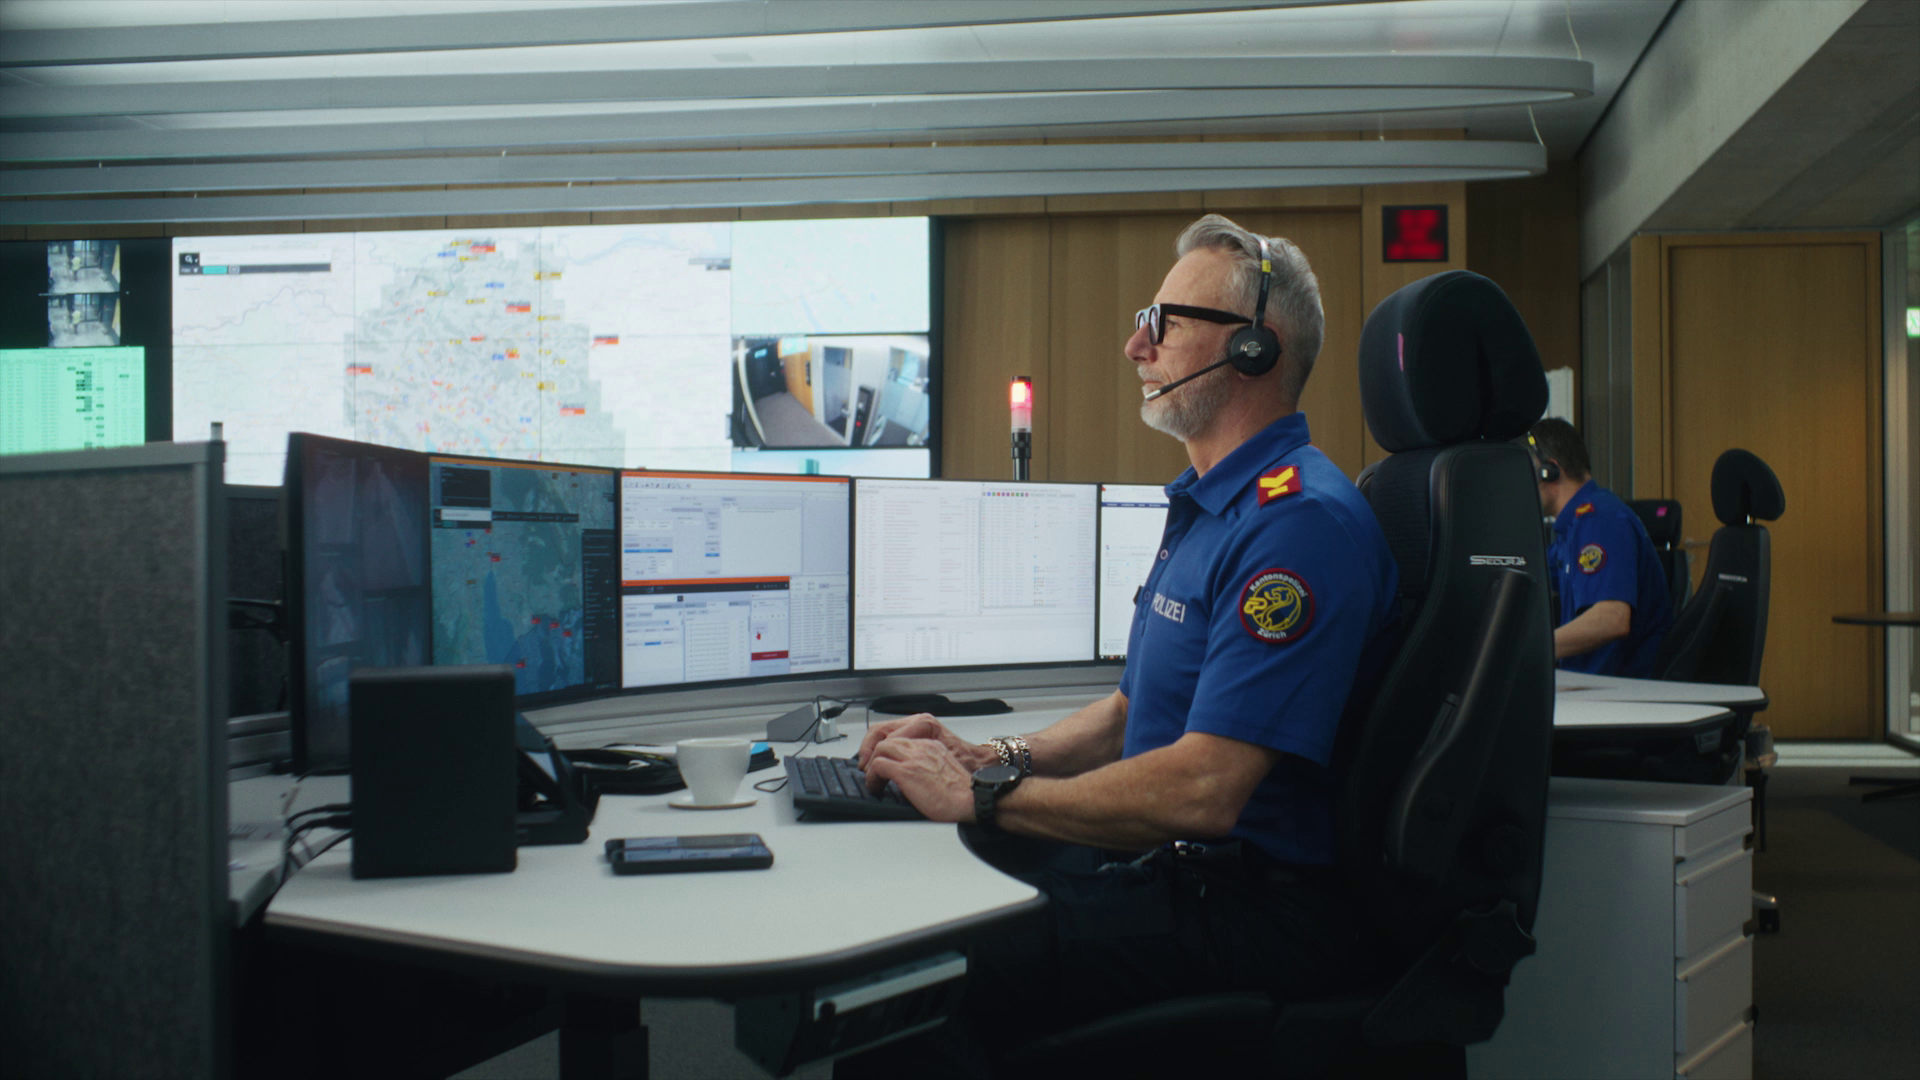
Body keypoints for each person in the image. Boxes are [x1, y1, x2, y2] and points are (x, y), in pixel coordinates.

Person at [838, 215, 1401, 1077]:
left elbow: (1206, 788)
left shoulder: (1297, 525)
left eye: (1163, 322)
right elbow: (1134, 712)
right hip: (1179, 869)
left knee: (913, 968)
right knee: (925, 878)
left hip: (1256, 905)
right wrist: (990, 756)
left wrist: (985, 797)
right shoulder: (1216, 505)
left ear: (1255, 349)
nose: (1135, 344)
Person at [1527, 417, 1673, 677]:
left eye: (1528, 470)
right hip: (1593, 684)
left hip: (1617, 692)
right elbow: (1529, 568)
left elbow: (1611, 619)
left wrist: (1530, 648)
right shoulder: (1574, 525)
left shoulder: (1599, 521)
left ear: (1549, 471)